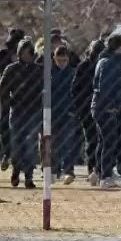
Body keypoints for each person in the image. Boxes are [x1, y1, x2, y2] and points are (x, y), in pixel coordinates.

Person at [0, 39, 44, 189]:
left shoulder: (39, 70)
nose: (27, 56)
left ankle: (29, 176)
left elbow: (46, 89)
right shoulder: (11, 69)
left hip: (34, 111)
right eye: (23, 53)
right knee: (17, 143)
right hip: (17, 111)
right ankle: (16, 169)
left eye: (29, 53)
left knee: (30, 144)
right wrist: (11, 102)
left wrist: (40, 103)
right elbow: (3, 89)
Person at [91, 34, 121, 188]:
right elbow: (105, 86)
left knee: (102, 141)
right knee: (109, 142)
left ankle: (97, 172)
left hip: (101, 106)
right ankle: (105, 176)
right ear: (117, 47)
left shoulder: (106, 61)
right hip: (106, 108)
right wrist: (112, 105)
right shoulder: (109, 63)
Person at [0, 28, 25, 171]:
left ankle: (20, 157)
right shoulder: (3, 54)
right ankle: (7, 154)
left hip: (25, 95)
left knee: (22, 127)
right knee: (5, 125)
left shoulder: (27, 54)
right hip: (7, 94)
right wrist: (7, 60)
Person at [72, 39, 104, 180]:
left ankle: (100, 167)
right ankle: (92, 168)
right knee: (92, 139)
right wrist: (79, 105)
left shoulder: (104, 65)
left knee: (102, 139)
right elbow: (75, 88)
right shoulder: (83, 66)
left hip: (103, 106)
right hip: (87, 107)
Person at [51, 45, 78, 185]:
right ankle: (54, 170)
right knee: (53, 143)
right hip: (53, 112)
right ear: (54, 58)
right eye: (59, 60)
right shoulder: (49, 73)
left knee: (67, 142)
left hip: (68, 112)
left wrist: (73, 109)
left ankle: (68, 170)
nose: (62, 63)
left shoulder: (73, 73)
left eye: (64, 60)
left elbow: (77, 93)